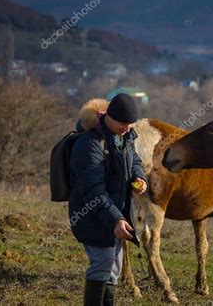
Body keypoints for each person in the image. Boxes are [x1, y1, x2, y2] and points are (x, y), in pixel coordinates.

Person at [68, 94, 148, 305]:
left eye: (131, 124)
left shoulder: (125, 136)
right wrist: (115, 220)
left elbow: (134, 161)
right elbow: (93, 189)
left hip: (116, 214)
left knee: (114, 268)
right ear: (109, 117)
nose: (127, 128)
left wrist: (139, 177)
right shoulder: (89, 143)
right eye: (123, 123)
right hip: (92, 214)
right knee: (103, 263)